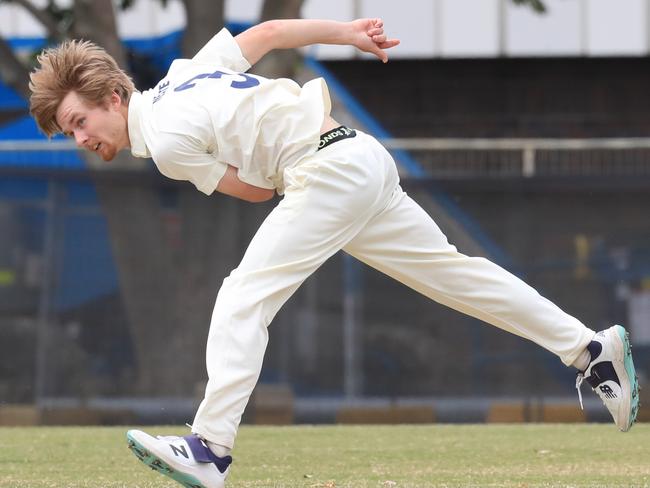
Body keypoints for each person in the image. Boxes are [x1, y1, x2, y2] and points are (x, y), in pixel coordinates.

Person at [29, 17, 639, 488]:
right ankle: (589, 348)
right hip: (360, 157)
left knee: (242, 295)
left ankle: (209, 447)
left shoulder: (163, 142)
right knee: (456, 276)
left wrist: (272, 167)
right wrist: (346, 33)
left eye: (80, 121)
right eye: (70, 132)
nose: (82, 139)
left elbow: (253, 190)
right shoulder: (184, 73)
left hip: (325, 174)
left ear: (112, 95)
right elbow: (265, 34)